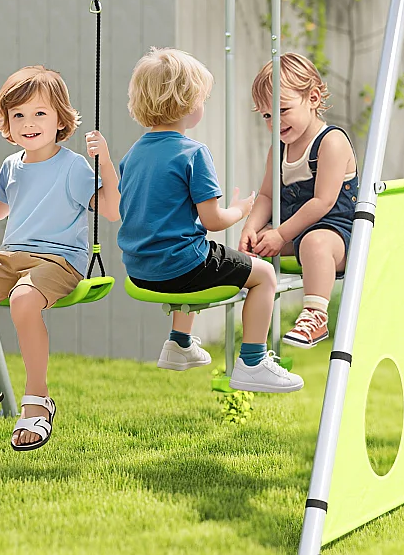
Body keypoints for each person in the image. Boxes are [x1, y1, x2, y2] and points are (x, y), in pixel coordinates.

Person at [0, 66, 119, 451]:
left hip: (58, 261)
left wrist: (104, 160)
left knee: (24, 299)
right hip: (11, 257)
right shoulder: (12, 165)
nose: (29, 123)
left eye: (40, 113)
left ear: (60, 119)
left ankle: (38, 399)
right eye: (18, 115)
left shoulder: (73, 166)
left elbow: (110, 210)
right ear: (7, 122)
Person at [116, 47, 303, 393]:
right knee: (263, 274)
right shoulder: (193, 153)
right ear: (189, 104)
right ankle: (253, 363)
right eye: (202, 98)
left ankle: (179, 343)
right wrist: (241, 210)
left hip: (140, 270)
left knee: (193, 247)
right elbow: (214, 220)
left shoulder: (133, 154)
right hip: (181, 268)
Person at [238, 52, 358, 349]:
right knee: (258, 244)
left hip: (339, 235)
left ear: (313, 98)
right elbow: (267, 195)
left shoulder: (331, 142)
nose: (275, 122)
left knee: (314, 242)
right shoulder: (278, 149)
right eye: (267, 115)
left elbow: (323, 202)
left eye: (282, 110)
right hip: (297, 230)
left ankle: (316, 316)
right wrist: (251, 228)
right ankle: (254, 331)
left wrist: (281, 234)